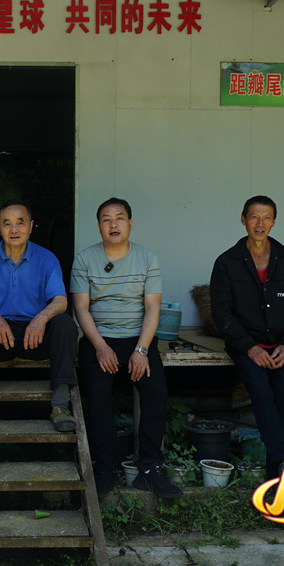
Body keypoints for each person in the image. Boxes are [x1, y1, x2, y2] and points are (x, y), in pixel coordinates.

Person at [72, 198, 181, 499]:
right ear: (99, 226)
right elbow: (80, 308)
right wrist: (100, 347)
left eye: (119, 218)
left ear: (130, 224)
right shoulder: (85, 259)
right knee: (97, 394)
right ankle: (105, 467)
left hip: (138, 339)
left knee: (156, 393)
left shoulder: (147, 258)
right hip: (98, 338)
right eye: (106, 219)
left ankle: (150, 468)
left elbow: (153, 307)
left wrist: (142, 350)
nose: (113, 224)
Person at [0, 198, 78, 433]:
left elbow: (60, 300)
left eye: (20, 223)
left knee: (64, 324)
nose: (14, 230)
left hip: (36, 337)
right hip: (2, 337)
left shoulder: (47, 258)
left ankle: (60, 405)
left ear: (30, 226)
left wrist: (41, 319)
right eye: (7, 224)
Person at [209, 195, 284, 481]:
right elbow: (221, 313)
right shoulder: (227, 262)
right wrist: (249, 347)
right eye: (254, 217)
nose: (260, 223)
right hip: (245, 345)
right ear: (243, 220)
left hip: (280, 346)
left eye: (266, 217)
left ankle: (278, 471)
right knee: (261, 390)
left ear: (274, 222)